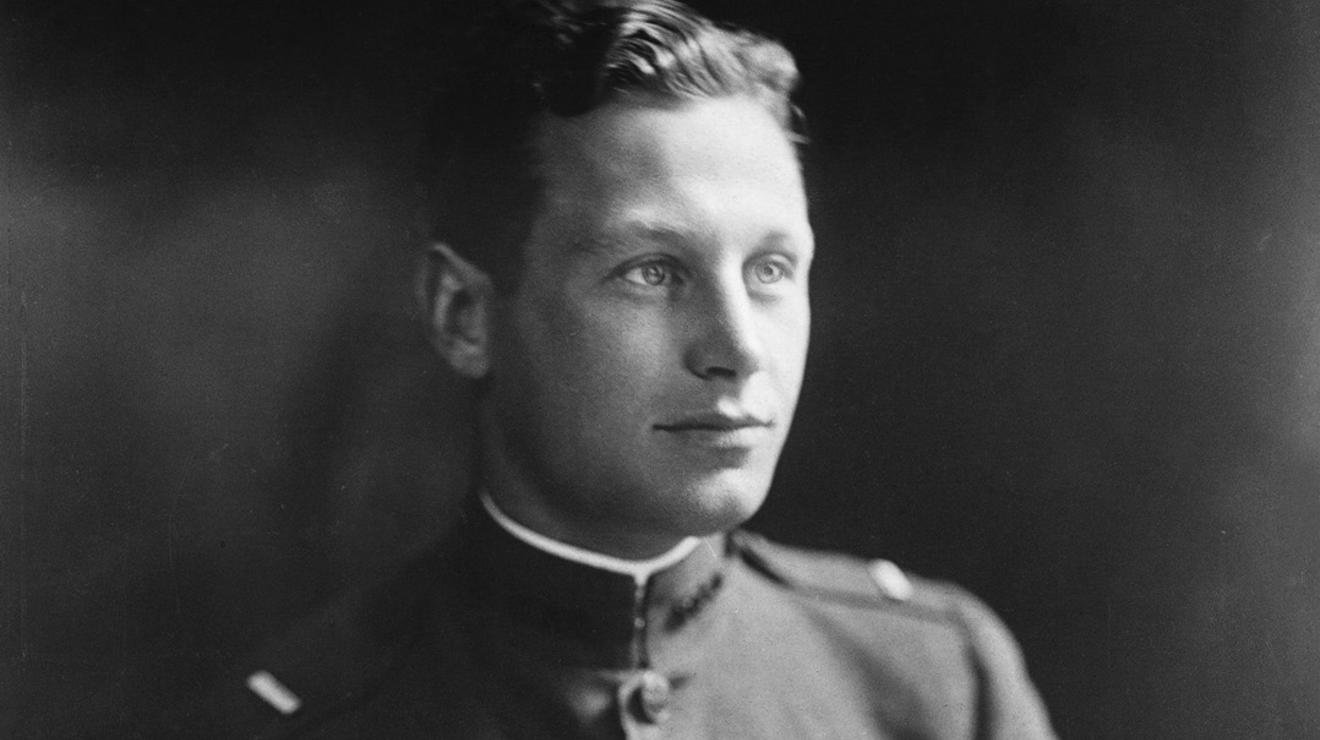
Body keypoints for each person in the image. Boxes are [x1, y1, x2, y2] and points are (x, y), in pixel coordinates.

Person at [177, 1, 1056, 736]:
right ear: (464, 315)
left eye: (771, 271)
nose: (739, 346)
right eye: (652, 272)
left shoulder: (939, 687)